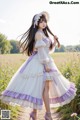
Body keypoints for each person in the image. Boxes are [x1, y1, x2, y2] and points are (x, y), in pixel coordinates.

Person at [0, 11, 77, 120]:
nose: (43, 23)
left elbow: (47, 50)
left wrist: (54, 42)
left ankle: (35, 113)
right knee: (42, 87)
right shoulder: (38, 34)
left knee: (43, 87)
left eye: (44, 21)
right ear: (36, 23)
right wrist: (45, 65)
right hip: (40, 62)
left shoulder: (44, 34)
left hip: (45, 60)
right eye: (41, 21)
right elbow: (41, 52)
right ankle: (47, 114)